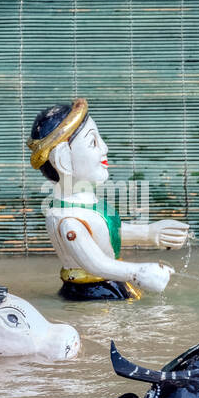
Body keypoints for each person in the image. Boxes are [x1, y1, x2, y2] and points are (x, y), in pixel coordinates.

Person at [28, 99, 189, 300]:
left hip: (112, 285)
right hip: (93, 295)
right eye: (93, 142)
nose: (105, 148)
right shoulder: (67, 220)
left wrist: (150, 233)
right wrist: (137, 272)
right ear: (63, 160)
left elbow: (104, 234)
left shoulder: (87, 205)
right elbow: (94, 263)